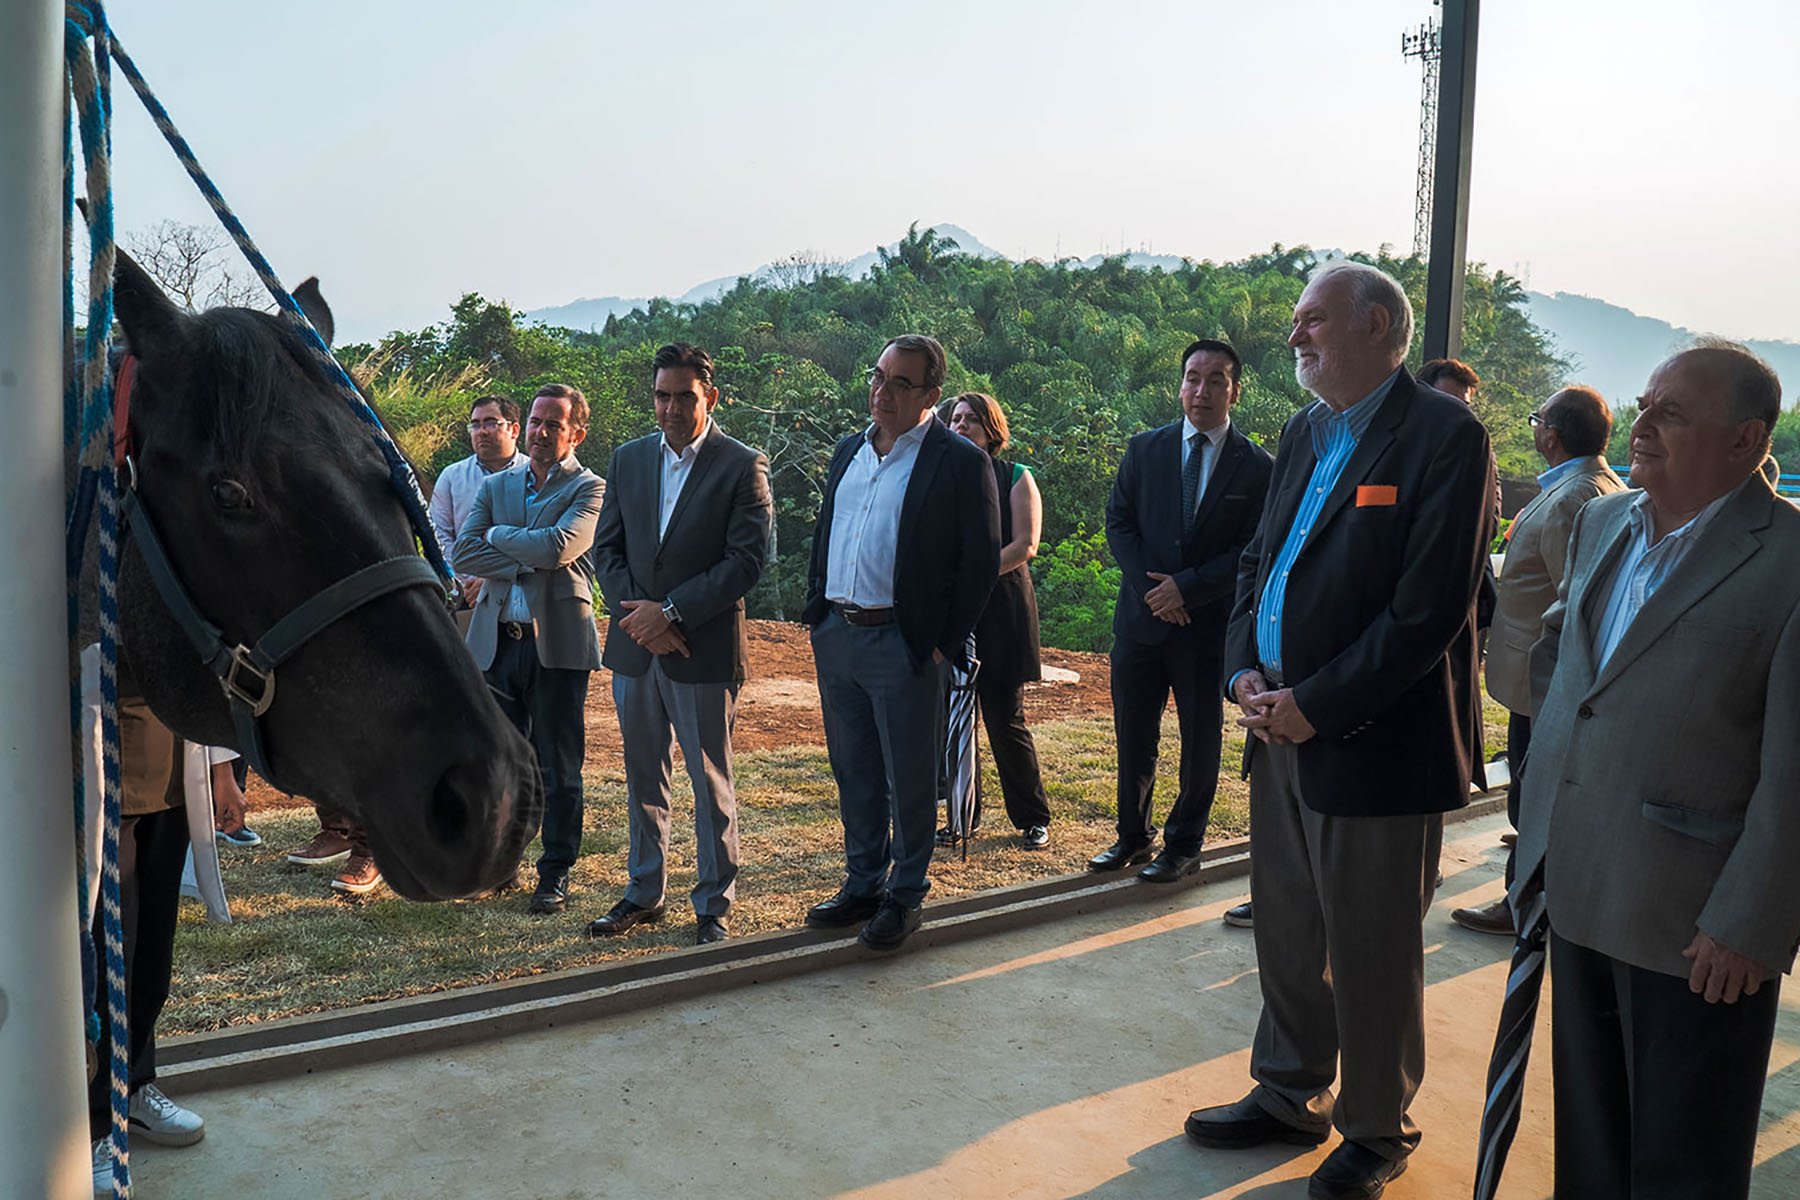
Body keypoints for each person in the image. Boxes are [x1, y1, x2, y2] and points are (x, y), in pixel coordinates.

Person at [1185, 263, 1494, 1200]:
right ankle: (1287, 1091)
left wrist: (1317, 702)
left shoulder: (1444, 435)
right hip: (1275, 722)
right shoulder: (1308, 428)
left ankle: (1375, 1127)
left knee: (1370, 945)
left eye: (1312, 320)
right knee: (1285, 924)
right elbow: (1256, 562)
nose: (1295, 337)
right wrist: (1243, 669)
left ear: (1375, 326)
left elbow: (1428, 609)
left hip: (1368, 740)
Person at [1512, 342, 1798, 1199]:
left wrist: (1752, 921)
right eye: (1643, 405)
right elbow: (1573, 664)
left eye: (1670, 413)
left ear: (1747, 441)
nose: (1639, 428)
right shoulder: (1607, 520)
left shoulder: (1787, 560)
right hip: (1581, 880)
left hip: (1697, 925)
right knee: (1591, 1145)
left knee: (1682, 1162)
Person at [800, 334, 999, 951]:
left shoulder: (960, 461)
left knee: (909, 774)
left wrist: (940, 643)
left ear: (931, 395)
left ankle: (906, 892)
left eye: (900, 384)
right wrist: (818, 614)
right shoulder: (848, 450)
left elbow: (980, 563)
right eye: (878, 376)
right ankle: (863, 882)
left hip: (904, 643)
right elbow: (830, 529)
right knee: (853, 768)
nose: (881, 392)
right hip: (839, 635)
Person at [587, 343, 772, 946]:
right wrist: (640, 618)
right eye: (661, 395)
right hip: (635, 648)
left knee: (707, 777)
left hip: (704, 650)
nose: (669, 408)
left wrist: (670, 612)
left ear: (710, 398)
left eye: (683, 397)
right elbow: (606, 548)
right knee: (644, 775)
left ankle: (715, 902)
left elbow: (747, 561)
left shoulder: (743, 464)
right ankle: (644, 893)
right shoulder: (629, 459)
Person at [1089, 340, 1273, 883]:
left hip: (1206, 628)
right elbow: (1119, 522)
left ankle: (1184, 844)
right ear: (1180, 384)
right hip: (1141, 625)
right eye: (1193, 377)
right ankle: (1131, 836)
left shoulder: (1258, 466)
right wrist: (1156, 592)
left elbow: (1253, 547)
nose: (1203, 390)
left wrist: (1186, 589)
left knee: (1200, 738)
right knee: (1134, 734)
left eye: (1216, 380)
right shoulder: (1145, 449)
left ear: (1235, 390)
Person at [1450, 386, 1622, 935]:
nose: (1534, 428)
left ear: (1551, 432)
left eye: (1537, 419)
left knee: (1533, 793)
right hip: (1535, 677)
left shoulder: (1577, 496)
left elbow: (1573, 603)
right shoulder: (1584, 486)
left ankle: (1521, 904)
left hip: (1542, 681)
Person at [83, 650, 247, 1194]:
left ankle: (136, 1084)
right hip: (107, 777)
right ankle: (94, 1124)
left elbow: (202, 667)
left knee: (153, 957)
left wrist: (223, 772)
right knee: (111, 964)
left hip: (176, 779)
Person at [453, 383, 605, 915]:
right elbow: (463, 548)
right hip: (497, 643)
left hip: (558, 646)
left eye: (553, 425)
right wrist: (524, 555)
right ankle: (502, 863)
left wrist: (500, 539)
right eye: (536, 422)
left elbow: (561, 547)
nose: (540, 433)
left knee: (559, 767)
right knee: (501, 763)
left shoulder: (591, 489)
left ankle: (555, 871)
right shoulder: (499, 484)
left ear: (576, 433)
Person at [942, 392, 1053, 850]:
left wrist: (970, 577)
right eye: (955, 418)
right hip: (949, 613)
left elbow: (1025, 545)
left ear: (992, 430)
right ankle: (961, 819)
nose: (961, 425)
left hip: (1001, 610)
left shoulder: (1016, 476)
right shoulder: (939, 477)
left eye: (971, 419)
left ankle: (1033, 819)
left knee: (1004, 720)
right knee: (953, 722)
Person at [430, 393, 530, 608]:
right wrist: (466, 582)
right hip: (465, 596)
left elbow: (539, 540)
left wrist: (494, 580)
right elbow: (440, 535)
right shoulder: (452, 477)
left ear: (514, 430)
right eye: (475, 425)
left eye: (491, 423)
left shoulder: (536, 475)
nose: (482, 431)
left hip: (524, 591)